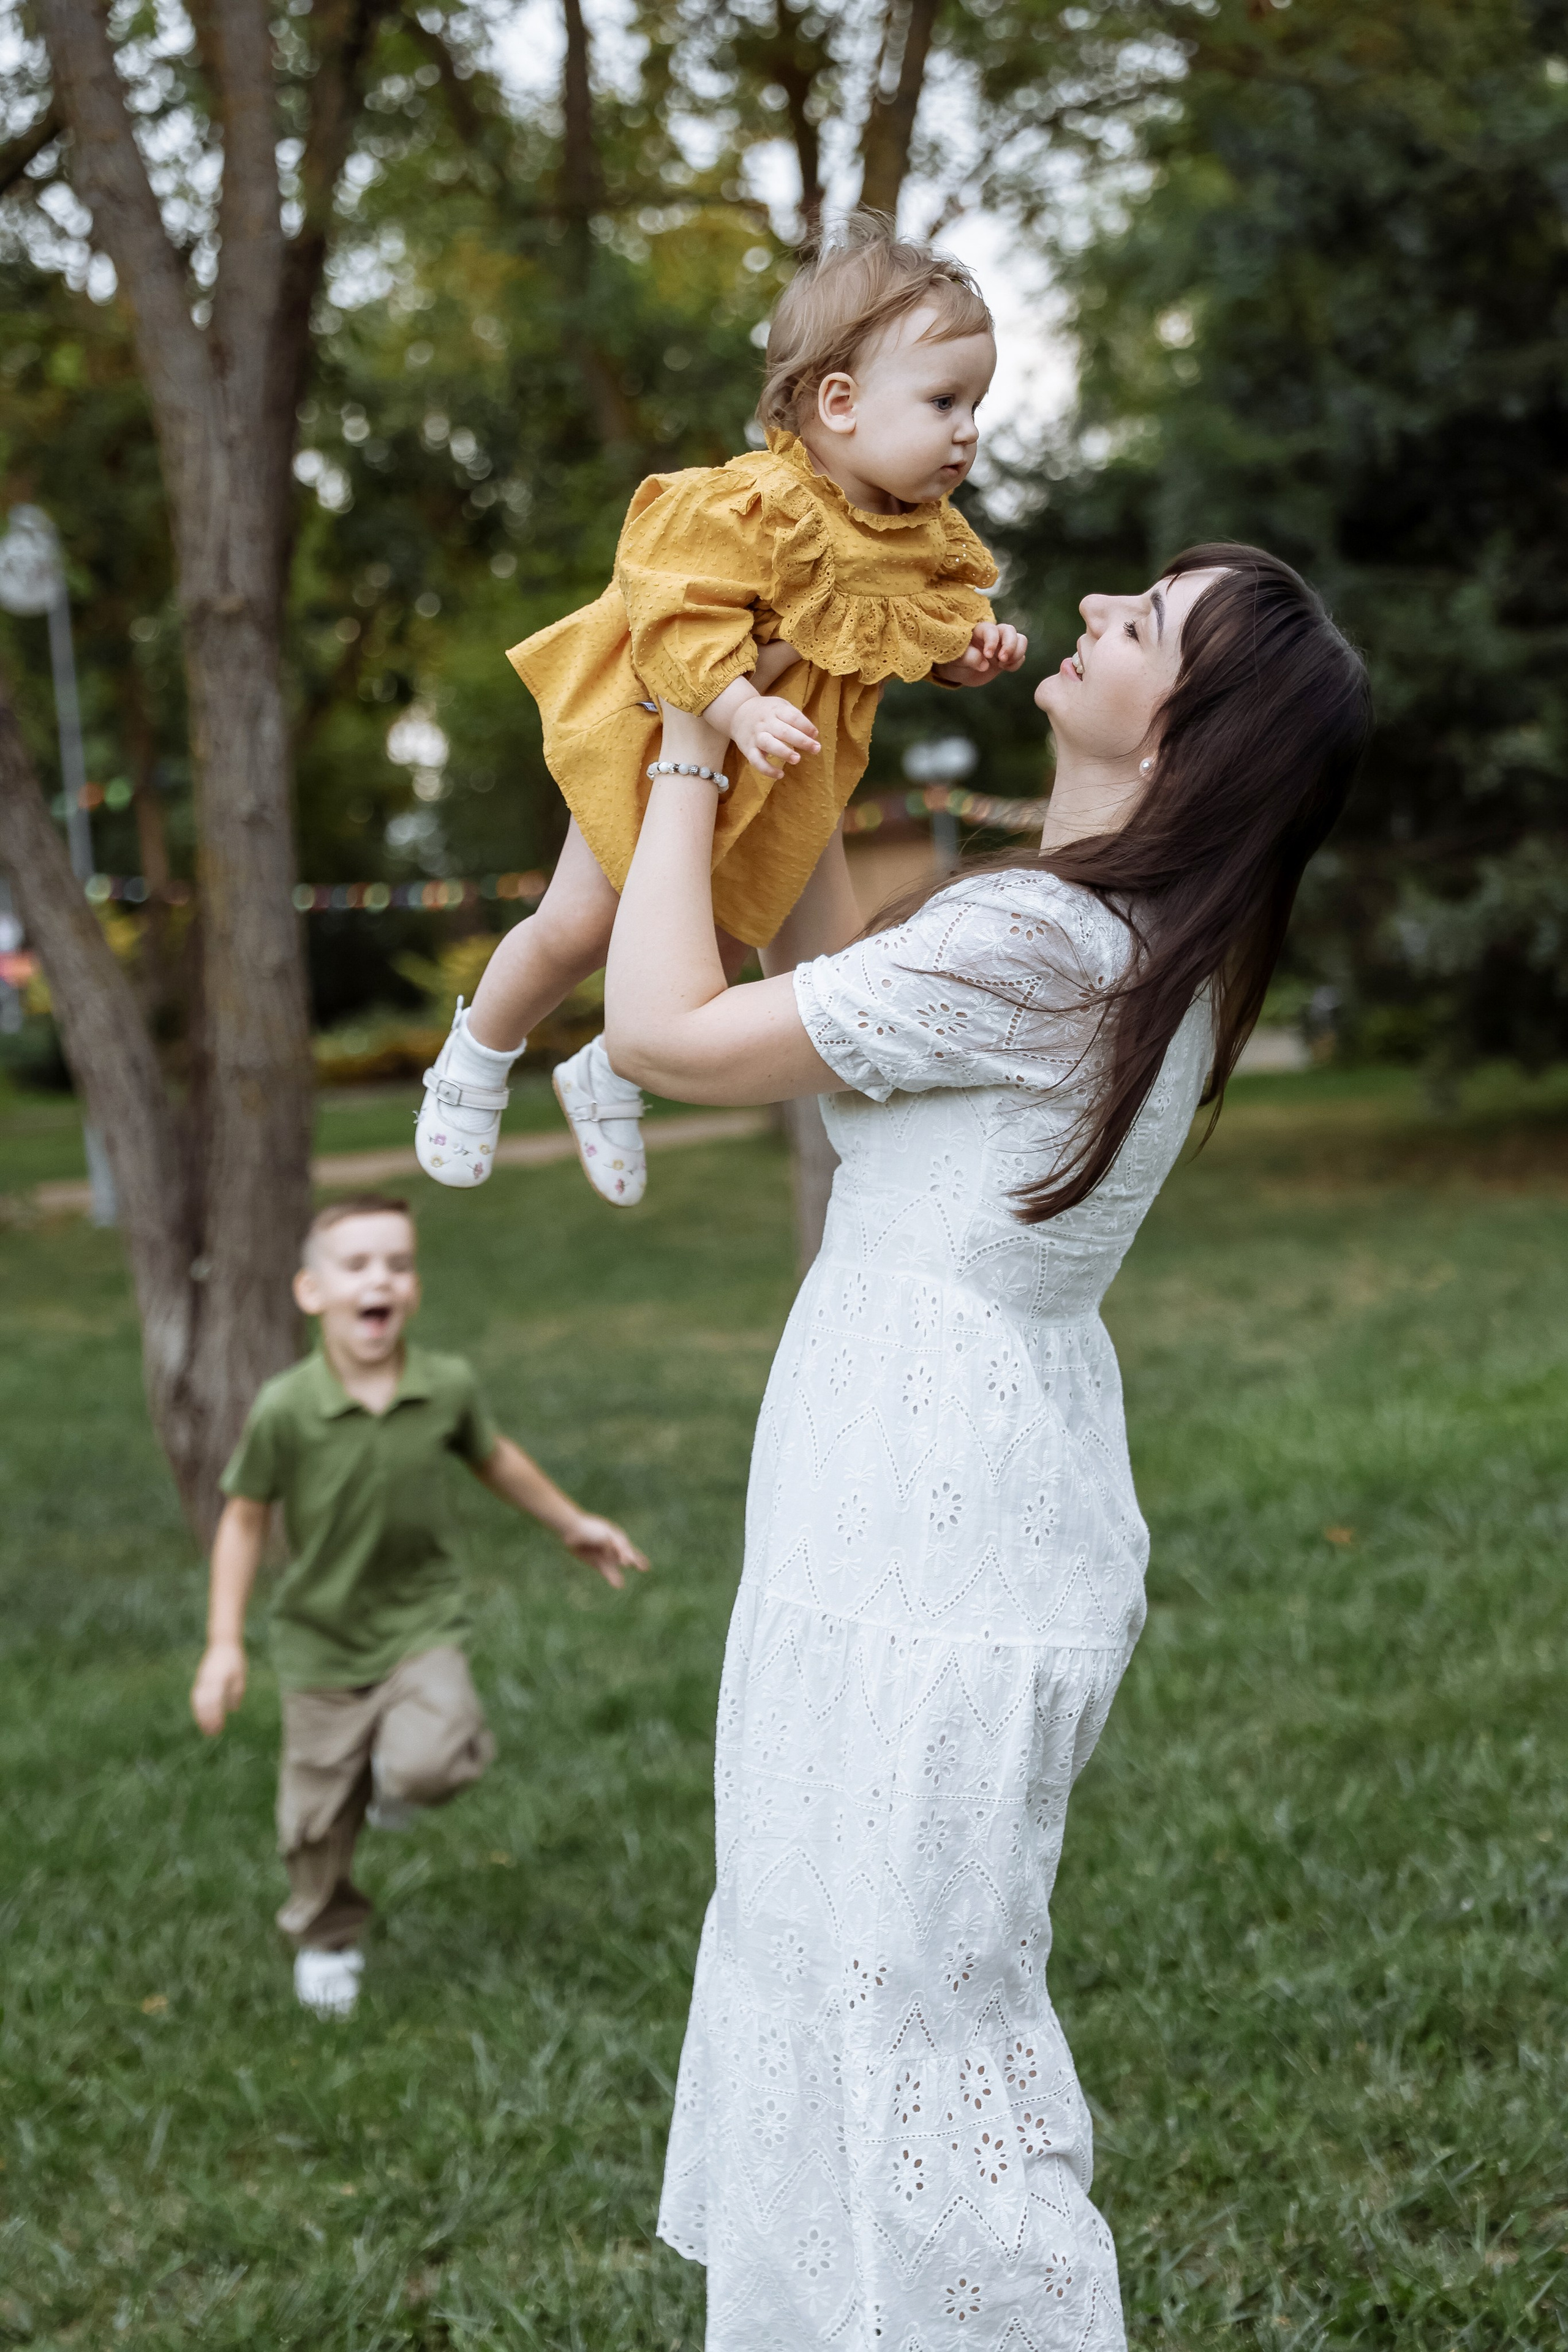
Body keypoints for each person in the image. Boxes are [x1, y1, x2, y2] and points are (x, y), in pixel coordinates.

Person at [600, 546, 1371, 2346]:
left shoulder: (1047, 943)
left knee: (901, 2009)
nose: (1094, 612)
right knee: (844, 1967)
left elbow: (661, 1035)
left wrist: (686, 733)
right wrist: (816, 728)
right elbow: (837, 998)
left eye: (1144, 625)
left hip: (926, 1520)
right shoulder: (1105, 937)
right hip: (909, 1487)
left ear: (1188, 736)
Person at [414, 215, 1026, 1208]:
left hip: (783, 771)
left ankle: (608, 1072)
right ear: (840, 402)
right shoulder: (756, 503)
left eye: (977, 405)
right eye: (945, 400)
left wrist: (968, 658)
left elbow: (910, 634)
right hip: (666, 740)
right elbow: (674, 614)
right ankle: (475, 1056)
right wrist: (735, 709)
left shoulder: (919, 536)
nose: (968, 430)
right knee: (580, 924)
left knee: (728, 947)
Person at [189, 1193, 647, 2019]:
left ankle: (395, 1776)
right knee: (315, 1821)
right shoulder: (286, 1407)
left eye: (398, 1265)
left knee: (431, 1761)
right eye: (357, 1265)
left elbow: (495, 1459)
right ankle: (327, 1938)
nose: (381, 1280)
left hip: (420, 1621)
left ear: (415, 1288)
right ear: (311, 1292)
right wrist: (225, 1642)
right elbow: (245, 1519)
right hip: (321, 1639)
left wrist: (571, 1522)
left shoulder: (445, 1386)